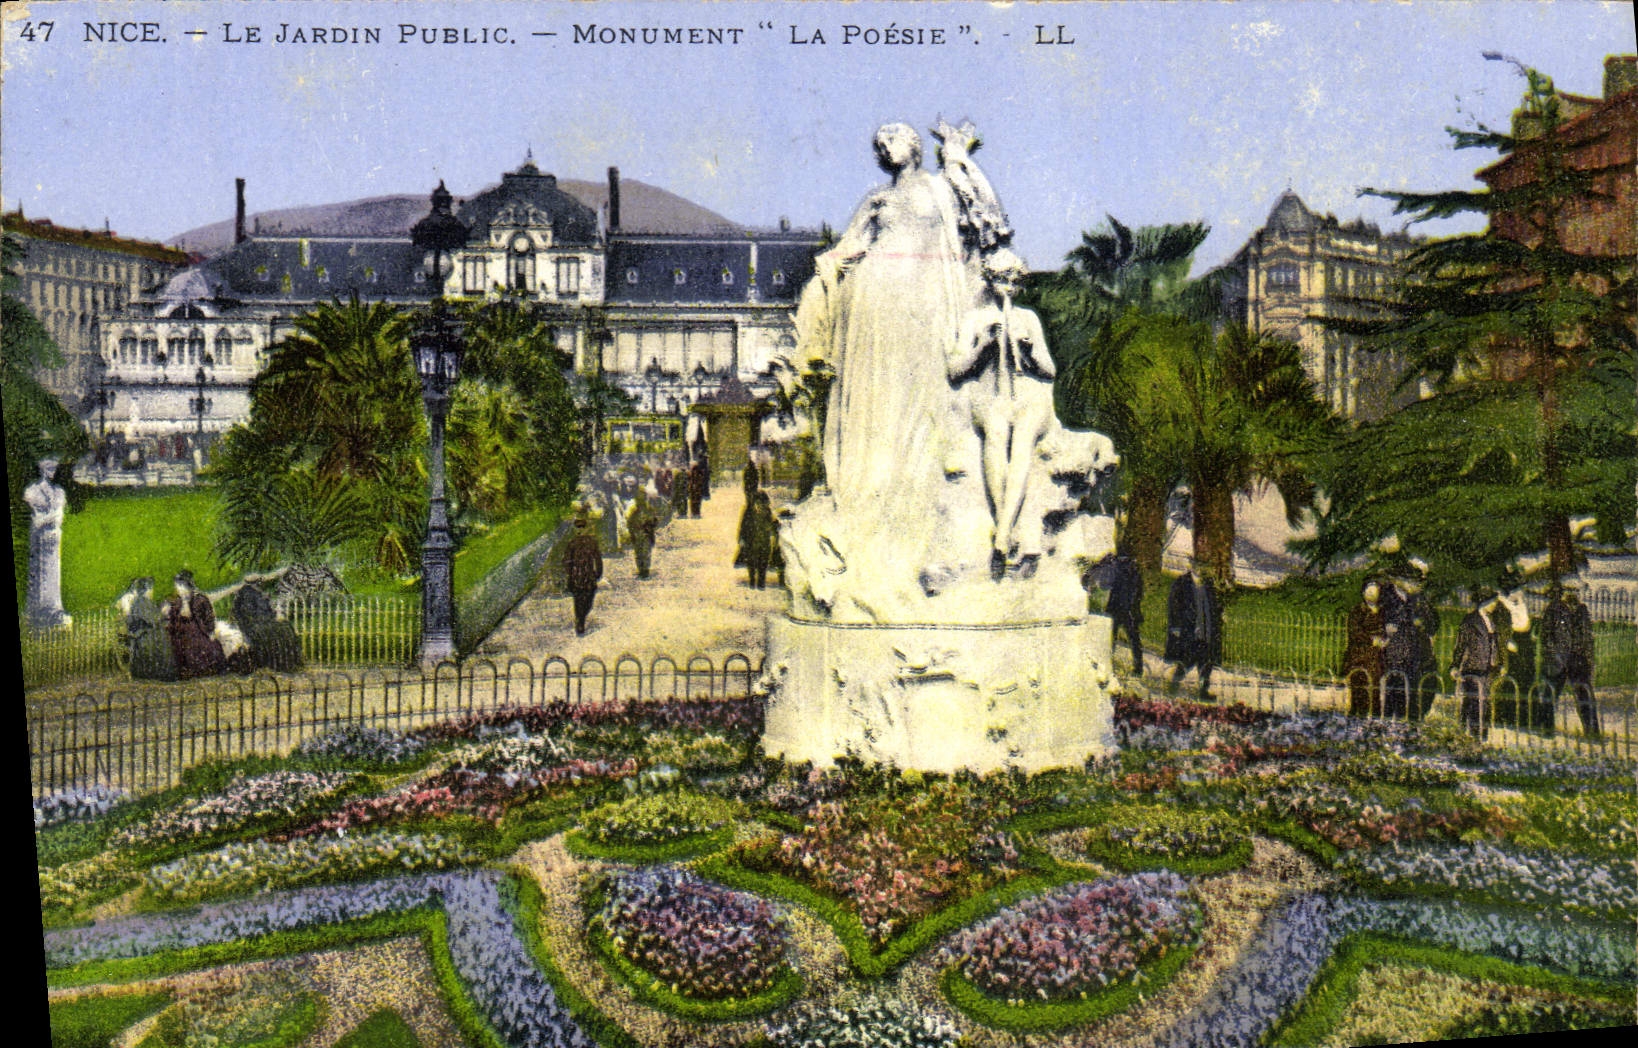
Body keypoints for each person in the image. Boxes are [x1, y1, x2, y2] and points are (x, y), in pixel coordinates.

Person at [950, 249, 1057, 579]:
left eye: (1013, 281)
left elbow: (1049, 369)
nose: (1008, 287)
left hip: (1026, 397)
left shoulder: (1028, 318)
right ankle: (1005, 528)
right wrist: (982, 346)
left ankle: (1003, 532)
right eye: (1001, 279)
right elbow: (954, 369)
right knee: (996, 436)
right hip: (990, 396)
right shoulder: (975, 318)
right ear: (990, 280)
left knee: (1022, 443)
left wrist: (1028, 350)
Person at [1541, 582, 1599, 737]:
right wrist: (1554, 654)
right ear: (1564, 592)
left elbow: (1587, 638)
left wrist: (1588, 660)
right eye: (1570, 590)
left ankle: (1592, 732)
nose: (1574, 594)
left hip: (1578, 661)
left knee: (1585, 696)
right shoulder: (1554, 609)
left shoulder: (1582, 610)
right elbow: (1546, 636)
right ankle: (1546, 730)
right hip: (1558, 659)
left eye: (1576, 591)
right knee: (1550, 694)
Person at [1382, 568, 1436, 720]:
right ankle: (1391, 723)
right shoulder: (1387, 597)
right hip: (1396, 654)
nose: (1415, 585)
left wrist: (1422, 609)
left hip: (1415, 654)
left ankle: (1409, 724)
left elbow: (1432, 624)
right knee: (1394, 691)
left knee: (1412, 693)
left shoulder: (1417, 600)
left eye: (1416, 582)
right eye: (1411, 581)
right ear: (1399, 581)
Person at [1451, 589, 1502, 740]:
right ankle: (1470, 735)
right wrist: (1455, 665)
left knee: (1483, 702)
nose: (1495, 605)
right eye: (1493, 602)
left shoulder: (1491, 620)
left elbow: (1494, 644)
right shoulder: (1470, 620)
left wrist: (1497, 663)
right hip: (1472, 667)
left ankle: (1479, 736)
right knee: (1473, 702)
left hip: (1487, 668)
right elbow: (1460, 644)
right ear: (1485, 603)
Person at [1165, 565, 1221, 700]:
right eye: (1197, 565)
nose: (1201, 569)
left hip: (1206, 632)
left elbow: (1212, 606)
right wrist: (1175, 626)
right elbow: (1174, 606)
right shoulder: (1182, 583)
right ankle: (1173, 685)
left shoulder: (1208, 585)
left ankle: (1203, 692)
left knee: (1206, 665)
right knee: (1186, 662)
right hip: (1190, 632)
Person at [162, 570, 228, 679]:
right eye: (177, 586)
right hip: (181, 635)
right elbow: (172, 620)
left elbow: (209, 617)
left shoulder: (200, 599)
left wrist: (210, 631)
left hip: (198, 632)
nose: (179, 589)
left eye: (181, 586)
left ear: (188, 585)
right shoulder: (177, 602)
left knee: (203, 648)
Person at [232, 583, 303, 672]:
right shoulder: (245, 594)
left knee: (285, 627)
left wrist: (272, 616)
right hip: (253, 624)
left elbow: (269, 612)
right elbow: (246, 614)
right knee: (269, 632)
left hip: (264, 621)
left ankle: (287, 662)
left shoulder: (259, 593)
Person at [117, 576, 177, 681]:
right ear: (147, 589)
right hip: (144, 638)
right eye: (151, 589)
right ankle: (158, 672)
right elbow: (153, 619)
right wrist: (163, 612)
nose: (152, 592)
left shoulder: (143, 601)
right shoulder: (142, 602)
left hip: (144, 634)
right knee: (162, 640)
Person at [1094, 550, 1144, 673]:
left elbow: (1104, 585)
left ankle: (1108, 662)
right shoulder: (1134, 569)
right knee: (1133, 639)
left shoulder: (1114, 567)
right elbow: (1139, 591)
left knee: (1111, 637)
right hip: (1128, 608)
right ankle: (1138, 668)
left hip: (1116, 607)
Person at [1343, 579, 1387, 717]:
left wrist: (1385, 639)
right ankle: (1358, 715)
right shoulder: (1357, 611)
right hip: (1359, 656)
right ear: (1363, 592)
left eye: (1375, 590)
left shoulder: (1383, 611)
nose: (1371, 593)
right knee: (1360, 687)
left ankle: (1374, 716)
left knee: (1375, 688)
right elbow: (1355, 632)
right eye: (1369, 590)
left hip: (1376, 657)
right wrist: (1371, 640)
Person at [563, 514, 604, 636]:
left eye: (582, 527)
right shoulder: (572, 543)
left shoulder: (591, 542)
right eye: (578, 527)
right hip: (576, 577)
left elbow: (597, 558)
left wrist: (598, 572)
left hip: (589, 576)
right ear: (575, 529)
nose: (580, 530)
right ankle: (580, 621)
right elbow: (566, 560)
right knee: (578, 600)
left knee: (589, 600)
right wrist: (570, 574)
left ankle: (581, 617)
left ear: (586, 528)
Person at [739, 490, 778, 589]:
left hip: (764, 542)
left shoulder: (768, 512)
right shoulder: (749, 513)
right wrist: (741, 538)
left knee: (763, 563)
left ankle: (761, 582)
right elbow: (743, 526)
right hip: (751, 542)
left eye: (762, 504)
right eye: (758, 503)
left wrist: (773, 527)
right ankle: (752, 580)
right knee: (751, 563)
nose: (760, 506)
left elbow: (771, 525)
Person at [626, 489, 659, 580]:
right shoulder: (634, 512)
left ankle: (645, 571)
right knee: (639, 553)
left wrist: (649, 526)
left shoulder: (649, 510)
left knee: (645, 553)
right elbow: (629, 523)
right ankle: (641, 570)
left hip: (646, 535)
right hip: (637, 536)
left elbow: (655, 521)